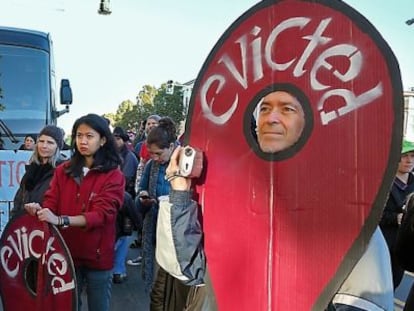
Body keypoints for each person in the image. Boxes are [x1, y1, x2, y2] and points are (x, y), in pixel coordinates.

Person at [24, 113, 125, 311]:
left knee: (99, 306)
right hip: (65, 254)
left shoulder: (114, 175)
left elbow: (103, 214)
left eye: (89, 136)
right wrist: (40, 210)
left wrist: (61, 220)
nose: (83, 141)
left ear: (103, 140)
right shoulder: (63, 170)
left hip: (97, 255)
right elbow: (50, 202)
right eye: (79, 136)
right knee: (67, 306)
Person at [134, 117, 176, 292]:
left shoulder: (184, 164)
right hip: (155, 228)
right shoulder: (151, 165)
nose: (155, 158)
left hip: (175, 232)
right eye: (151, 153)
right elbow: (140, 191)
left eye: (159, 153)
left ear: (172, 147)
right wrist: (143, 198)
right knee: (157, 286)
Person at [380, 139, 414, 290]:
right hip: (385, 244)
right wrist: (395, 218)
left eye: (412, 156)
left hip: (404, 247)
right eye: (404, 156)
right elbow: (373, 213)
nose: (409, 160)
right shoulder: (383, 182)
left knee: (395, 283)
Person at [11, 125, 64, 218]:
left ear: (57, 147)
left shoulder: (63, 172)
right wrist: (14, 220)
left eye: (50, 142)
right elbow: (19, 200)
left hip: (50, 227)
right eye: (41, 141)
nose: (44, 146)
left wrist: (40, 211)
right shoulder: (31, 170)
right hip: (26, 227)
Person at [113, 126, 139, 198]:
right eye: (113, 139)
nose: (115, 141)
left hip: (126, 193)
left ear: (124, 140)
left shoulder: (129, 156)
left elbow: (126, 178)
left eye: (118, 139)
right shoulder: (113, 154)